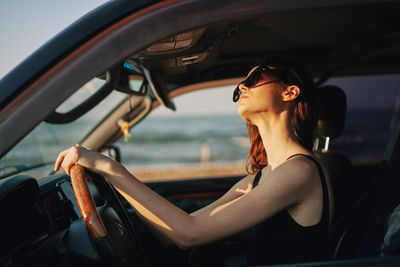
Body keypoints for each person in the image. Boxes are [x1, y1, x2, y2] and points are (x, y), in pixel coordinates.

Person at [54, 57, 333, 265]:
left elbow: (189, 234)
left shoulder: (300, 172)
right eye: (240, 86)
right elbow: (177, 231)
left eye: (255, 77)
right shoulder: (261, 177)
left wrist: (109, 167)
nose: (242, 86)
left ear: (290, 92)